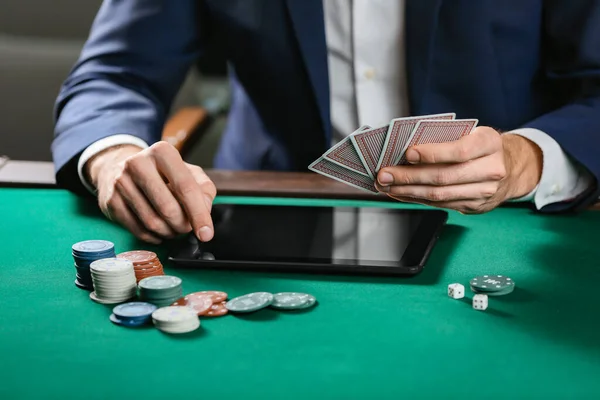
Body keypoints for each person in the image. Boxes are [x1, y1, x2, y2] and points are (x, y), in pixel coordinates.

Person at [53, 1, 600, 244]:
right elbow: (115, 73)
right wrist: (112, 158)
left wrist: (524, 160)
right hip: (262, 217)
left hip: (504, 225)